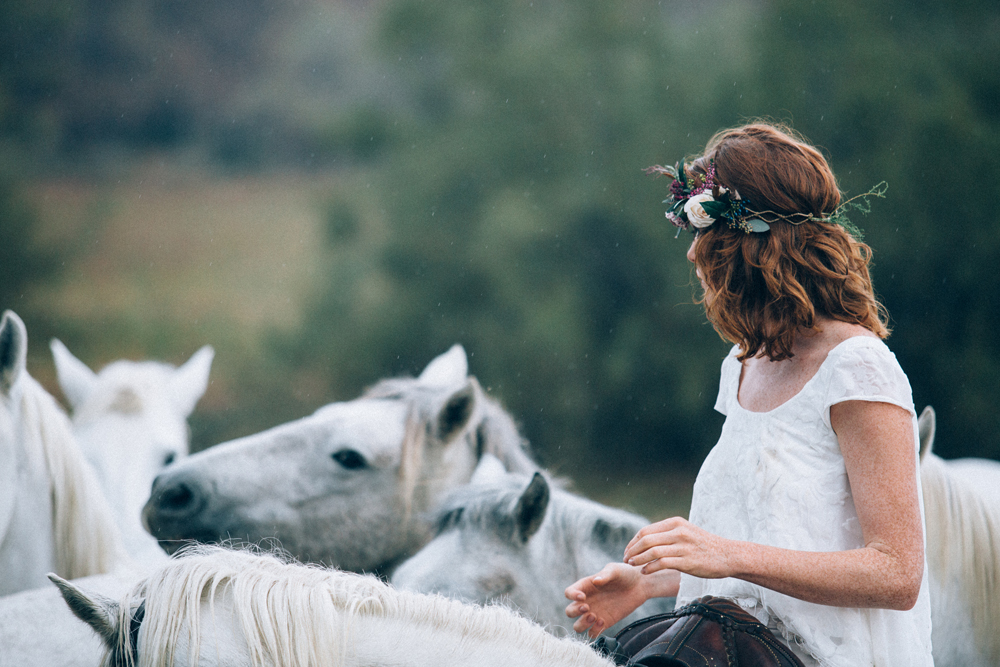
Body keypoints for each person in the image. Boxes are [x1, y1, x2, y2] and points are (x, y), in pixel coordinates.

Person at [564, 123, 933, 667]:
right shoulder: (742, 361)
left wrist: (725, 555)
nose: (693, 256)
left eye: (705, 233)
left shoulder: (858, 368)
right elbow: (764, 532)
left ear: (757, 243)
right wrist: (653, 581)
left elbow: (897, 574)